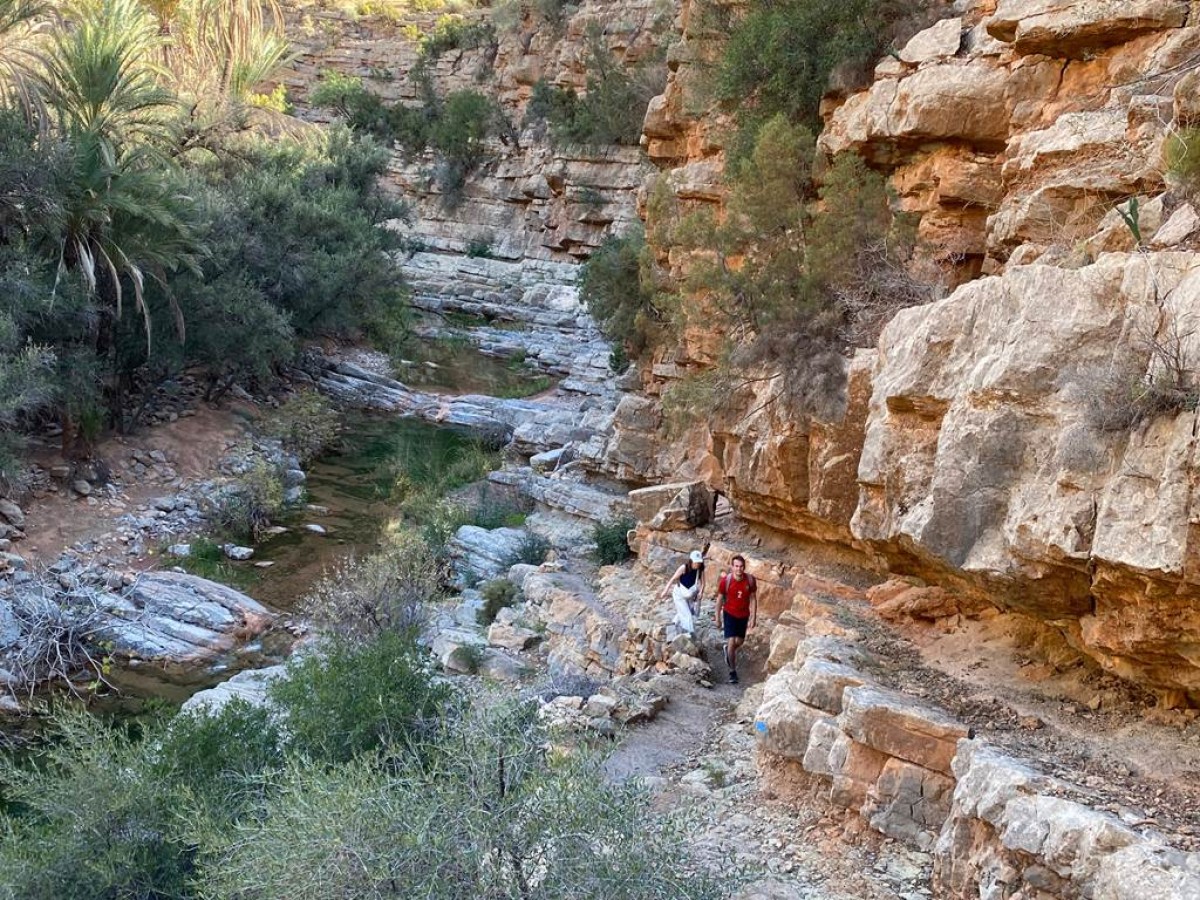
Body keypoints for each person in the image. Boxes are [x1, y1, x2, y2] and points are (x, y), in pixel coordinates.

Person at [714, 554, 756, 684]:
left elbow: (753, 598)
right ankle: (732, 671)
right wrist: (717, 618)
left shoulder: (750, 580)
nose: (739, 569)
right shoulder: (726, 581)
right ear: (732, 567)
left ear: (744, 567)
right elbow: (719, 600)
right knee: (732, 641)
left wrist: (753, 617)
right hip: (729, 614)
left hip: (743, 615)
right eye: (736, 566)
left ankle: (728, 649)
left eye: (741, 566)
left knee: (740, 641)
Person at [659, 549, 706, 635]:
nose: (697, 564)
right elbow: (672, 579)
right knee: (687, 615)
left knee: (686, 612)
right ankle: (689, 634)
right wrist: (665, 591)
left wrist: (701, 592)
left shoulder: (700, 569)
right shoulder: (684, 568)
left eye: (699, 562)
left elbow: (703, 583)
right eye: (696, 562)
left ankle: (672, 627)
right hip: (679, 595)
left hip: (690, 595)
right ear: (691, 561)